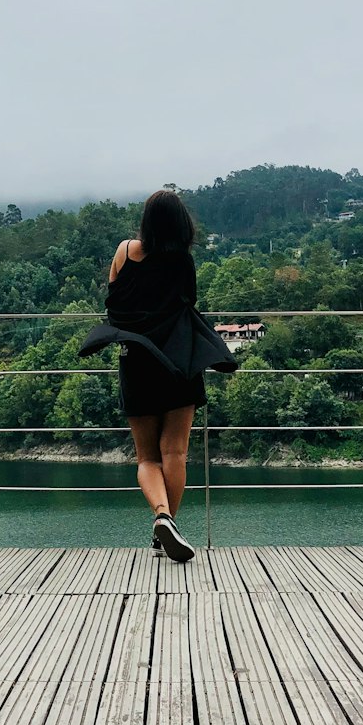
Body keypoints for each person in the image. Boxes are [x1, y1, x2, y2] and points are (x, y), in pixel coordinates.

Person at [78, 189, 237, 562]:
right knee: (175, 452)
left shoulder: (124, 251)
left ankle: (162, 516)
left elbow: (113, 300)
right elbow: (188, 304)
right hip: (179, 363)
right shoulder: (183, 261)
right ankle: (165, 527)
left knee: (147, 458)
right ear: (182, 223)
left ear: (146, 222)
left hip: (136, 363)